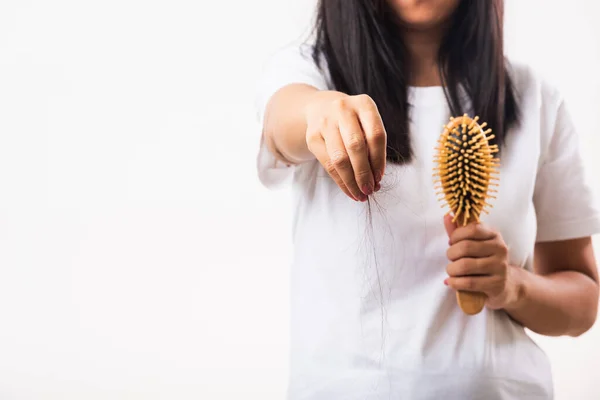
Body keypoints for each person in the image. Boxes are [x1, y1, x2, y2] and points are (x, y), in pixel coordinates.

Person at [254, 0, 600, 399]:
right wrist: (322, 111)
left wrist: (513, 287)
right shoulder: (309, 73)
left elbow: (582, 301)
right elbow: (284, 120)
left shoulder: (534, 96)